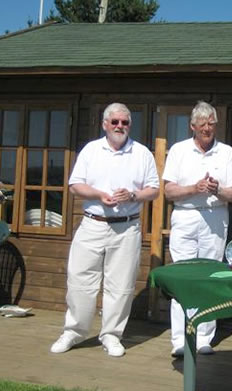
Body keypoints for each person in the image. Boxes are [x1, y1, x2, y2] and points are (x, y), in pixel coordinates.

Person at [50, 103, 160, 357]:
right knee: (79, 280)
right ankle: (74, 332)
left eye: (125, 122)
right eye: (115, 122)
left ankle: (111, 336)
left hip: (127, 226)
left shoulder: (142, 153)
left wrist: (132, 194)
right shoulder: (91, 150)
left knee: (120, 285)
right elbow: (75, 185)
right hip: (92, 223)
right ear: (105, 124)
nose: (120, 126)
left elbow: (153, 190)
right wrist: (100, 195)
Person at [163, 101, 232, 357]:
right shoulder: (178, 150)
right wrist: (193, 189)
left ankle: (204, 338)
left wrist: (217, 189)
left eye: (211, 123)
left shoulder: (227, 152)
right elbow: (169, 191)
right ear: (192, 126)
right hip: (185, 217)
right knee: (182, 277)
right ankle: (179, 339)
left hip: (215, 217)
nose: (207, 128)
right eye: (202, 124)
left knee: (209, 277)